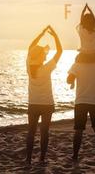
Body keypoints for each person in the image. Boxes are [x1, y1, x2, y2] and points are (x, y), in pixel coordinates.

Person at [67, 4, 95, 161]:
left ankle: (74, 156)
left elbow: (68, 80)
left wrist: (72, 79)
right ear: (93, 21)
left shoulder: (77, 63)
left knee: (78, 131)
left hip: (80, 102)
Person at [25, 25, 63, 164]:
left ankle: (28, 158)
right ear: (41, 56)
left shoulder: (29, 66)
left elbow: (30, 47)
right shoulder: (47, 67)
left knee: (31, 132)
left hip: (33, 104)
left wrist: (41, 34)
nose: (46, 55)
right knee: (44, 132)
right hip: (47, 104)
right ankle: (41, 158)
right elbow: (60, 51)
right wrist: (55, 36)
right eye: (44, 54)